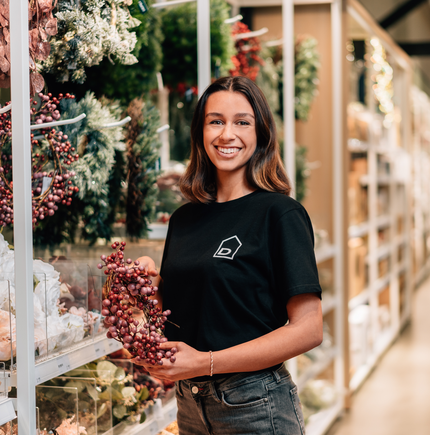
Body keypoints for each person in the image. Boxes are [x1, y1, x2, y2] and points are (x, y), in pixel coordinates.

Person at [136, 76, 323, 435]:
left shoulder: (279, 214)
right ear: (200, 132)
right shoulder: (184, 219)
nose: (227, 135)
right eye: (215, 121)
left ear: (261, 133)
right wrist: (146, 285)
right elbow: (183, 310)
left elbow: (308, 329)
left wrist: (206, 363)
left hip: (255, 404)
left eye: (242, 122)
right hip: (190, 405)